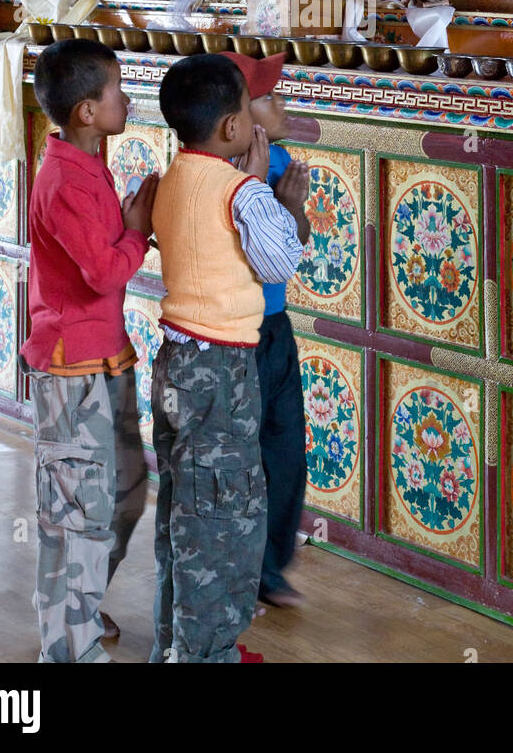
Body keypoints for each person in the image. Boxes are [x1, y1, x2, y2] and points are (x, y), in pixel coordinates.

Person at [150, 53, 306, 664]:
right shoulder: (241, 191)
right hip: (222, 372)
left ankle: (175, 642)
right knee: (221, 519)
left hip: (176, 362)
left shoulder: (175, 175)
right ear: (232, 129)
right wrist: (277, 197)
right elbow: (280, 262)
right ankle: (207, 654)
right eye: (247, 107)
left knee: (181, 508)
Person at [20, 38, 158, 664]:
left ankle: (78, 603)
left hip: (107, 358)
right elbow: (104, 273)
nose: (125, 99)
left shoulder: (88, 164)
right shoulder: (64, 180)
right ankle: (68, 649)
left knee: (125, 491)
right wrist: (136, 231)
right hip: (71, 368)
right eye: (116, 91)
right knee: (75, 511)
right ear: (85, 112)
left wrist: (128, 225)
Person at [224, 51, 310, 608]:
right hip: (233, 329)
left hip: (275, 326)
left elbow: (294, 242)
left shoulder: (280, 161)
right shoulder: (214, 171)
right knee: (238, 453)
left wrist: (291, 208)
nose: (282, 105)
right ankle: (235, 566)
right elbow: (249, 257)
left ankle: (270, 566)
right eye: (270, 97)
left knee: (285, 447)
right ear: (238, 116)